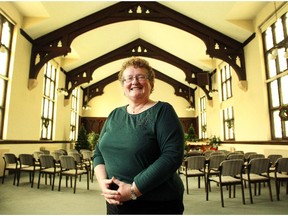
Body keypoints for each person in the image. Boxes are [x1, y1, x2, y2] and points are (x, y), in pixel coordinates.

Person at [93, 56, 185, 214]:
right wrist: (103, 184)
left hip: (156, 203)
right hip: (116, 201)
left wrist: (134, 190)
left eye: (141, 77)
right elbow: (98, 152)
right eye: (128, 78)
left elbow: (172, 156)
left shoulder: (163, 111)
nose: (134, 81)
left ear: (151, 83)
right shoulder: (114, 114)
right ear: (123, 86)